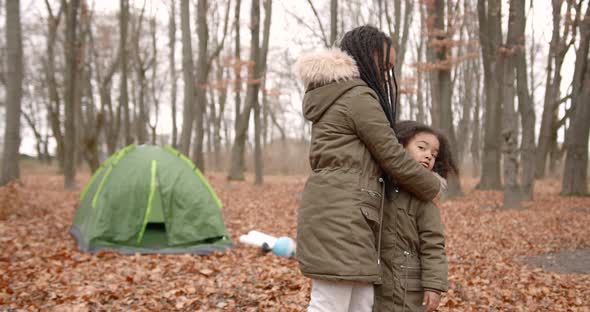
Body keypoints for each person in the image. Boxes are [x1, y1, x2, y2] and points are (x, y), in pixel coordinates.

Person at [294, 25, 445, 312]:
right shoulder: (357, 97)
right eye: (386, 66)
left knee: (361, 303)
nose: (388, 75)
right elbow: (392, 156)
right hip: (342, 214)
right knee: (331, 304)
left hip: (352, 215)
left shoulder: (342, 94)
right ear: (369, 56)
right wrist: (432, 185)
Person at [374, 120, 455, 312]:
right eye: (422, 147)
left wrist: (434, 285)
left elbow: (433, 244)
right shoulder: (377, 183)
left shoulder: (424, 198)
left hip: (406, 287)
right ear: (399, 145)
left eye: (434, 154)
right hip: (372, 281)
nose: (429, 155)